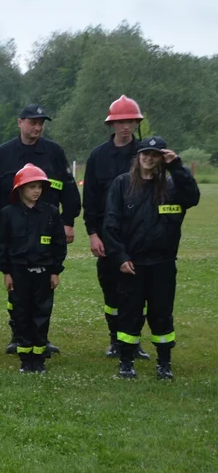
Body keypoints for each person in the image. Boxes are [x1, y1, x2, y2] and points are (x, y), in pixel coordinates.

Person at [0, 104, 80, 356]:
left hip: (46, 229)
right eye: (32, 122)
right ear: (20, 122)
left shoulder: (54, 152)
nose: (37, 127)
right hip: (13, 230)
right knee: (16, 285)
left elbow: (69, 189)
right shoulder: (3, 154)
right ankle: (18, 334)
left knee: (43, 286)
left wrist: (68, 220)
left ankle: (41, 336)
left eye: (41, 123)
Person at [104, 136, 199, 380]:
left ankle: (164, 363)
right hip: (131, 264)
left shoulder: (172, 186)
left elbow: (193, 197)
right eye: (145, 153)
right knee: (129, 314)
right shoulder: (122, 184)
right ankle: (126, 362)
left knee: (162, 314)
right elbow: (111, 225)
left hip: (163, 264)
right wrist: (121, 257)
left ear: (162, 159)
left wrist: (176, 166)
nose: (149, 158)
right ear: (138, 156)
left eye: (155, 154)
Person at [83, 95, 149, 360]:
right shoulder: (98, 156)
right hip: (108, 235)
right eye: (120, 121)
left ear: (136, 123)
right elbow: (89, 199)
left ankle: (134, 341)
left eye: (130, 121)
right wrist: (92, 234)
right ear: (112, 124)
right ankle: (115, 340)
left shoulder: (145, 154)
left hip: (141, 236)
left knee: (139, 291)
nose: (125, 126)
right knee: (111, 291)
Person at [0, 164, 67, 374]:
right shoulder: (8, 214)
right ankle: (26, 360)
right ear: (20, 189)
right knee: (22, 315)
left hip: (44, 273)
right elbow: (3, 246)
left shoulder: (51, 213)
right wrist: (6, 272)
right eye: (31, 187)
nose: (36, 191)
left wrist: (55, 271)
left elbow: (59, 245)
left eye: (39, 187)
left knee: (41, 314)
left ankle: (39, 359)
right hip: (18, 273)